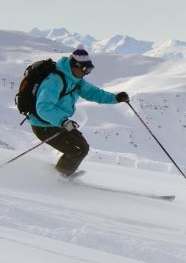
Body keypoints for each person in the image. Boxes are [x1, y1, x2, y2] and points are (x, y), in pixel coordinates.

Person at [26, 47, 130, 178]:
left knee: (82, 148)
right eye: (86, 70)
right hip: (43, 125)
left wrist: (115, 98)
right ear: (75, 66)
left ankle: (60, 175)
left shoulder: (75, 80)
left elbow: (93, 93)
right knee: (78, 149)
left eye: (90, 70)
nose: (87, 73)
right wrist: (63, 121)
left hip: (59, 123)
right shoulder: (55, 81)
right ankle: (58, 178)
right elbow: (43, 108)